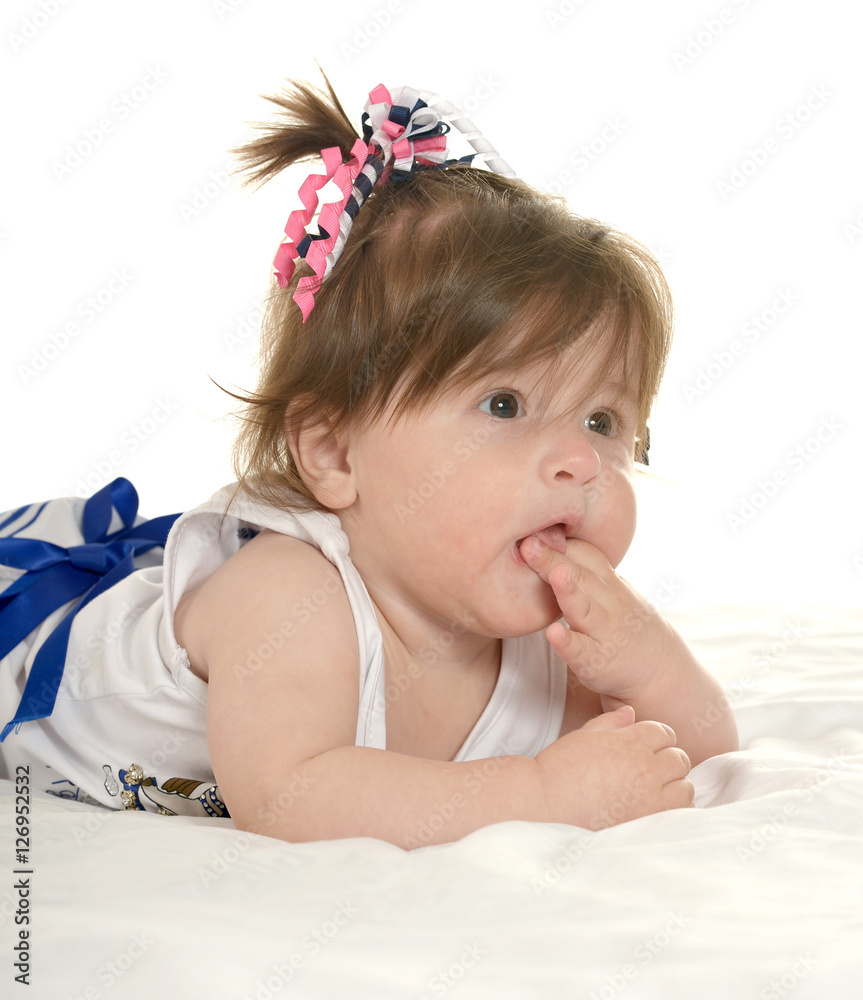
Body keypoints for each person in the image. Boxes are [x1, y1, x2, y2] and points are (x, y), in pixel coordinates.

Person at [0, 77, 738, 847]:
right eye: (503, 405)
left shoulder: (540, 640)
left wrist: (651, 663)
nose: (578, 461)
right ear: (332, 452)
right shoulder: (292, 599)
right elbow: (287, 796)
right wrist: (540, 792)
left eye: (602, 420)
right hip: (25, 641)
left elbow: (702, 758)